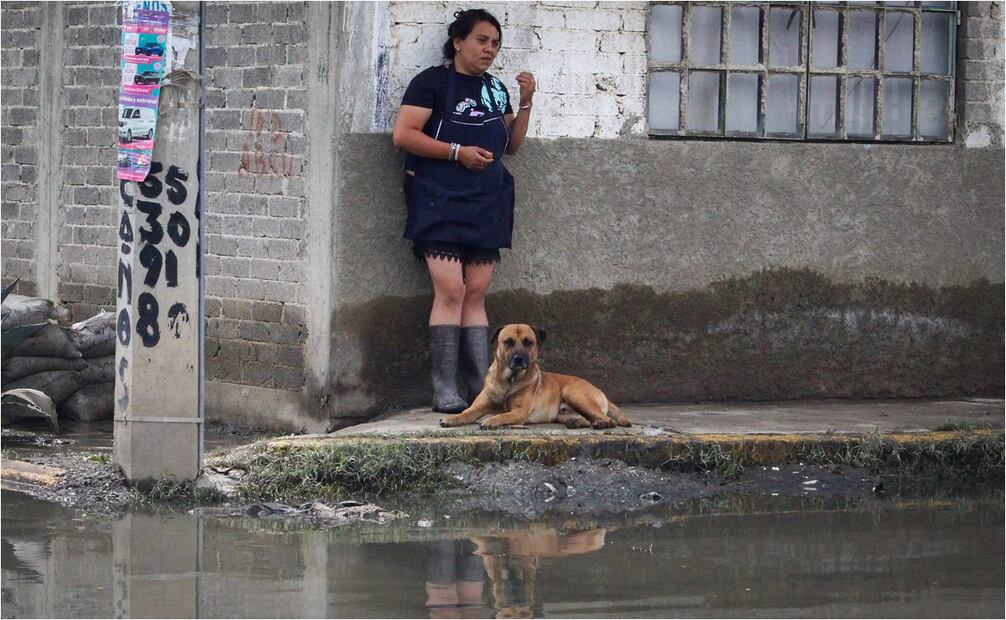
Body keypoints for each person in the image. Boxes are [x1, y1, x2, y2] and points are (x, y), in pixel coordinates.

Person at [392, 8, 536, 413]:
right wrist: (457, 152)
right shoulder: (431, 83)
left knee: (476, 291)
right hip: (439, 195)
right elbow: (403, 135)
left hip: (487, 199)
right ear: (458, 41)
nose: (489, 49)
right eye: (481, 40)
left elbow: (512, 146)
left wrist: (525, 104)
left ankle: (479, 385)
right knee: (451, 290)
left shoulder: (494, 89)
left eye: (495, 44)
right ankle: (443, 389)